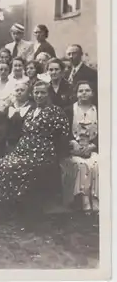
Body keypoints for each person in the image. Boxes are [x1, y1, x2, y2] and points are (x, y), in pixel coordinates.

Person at [0, 81, 70, 205]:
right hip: (23, 151)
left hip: (42, 153)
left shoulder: (56, 112)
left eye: (43, 92)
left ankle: (19, 204)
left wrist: (57, 154)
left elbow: (63, 135)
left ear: (48, 94)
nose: (39, 95)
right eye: (36, 92)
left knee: (12, 168)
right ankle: (5, 204)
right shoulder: (32, 111)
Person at [60, 81, 99, 212]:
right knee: (82, 165)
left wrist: (93, 146)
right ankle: (84, 200)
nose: (84, 93)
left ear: (92, 93)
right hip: (73, 150)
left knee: (96, 163)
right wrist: (73, 143)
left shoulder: (98, 110)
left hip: (92, 148)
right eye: (80, 91)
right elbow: (63, 134)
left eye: (87, 90)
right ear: (76, 94)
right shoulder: (69, 110)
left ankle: (96, 198)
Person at [5, 82, 33, 150]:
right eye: (17, 90)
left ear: (28, 93)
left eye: (22, 90)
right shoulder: (8, 108)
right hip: (7, 144)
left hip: (26, 144)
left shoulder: (32, 108)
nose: (19, 92)